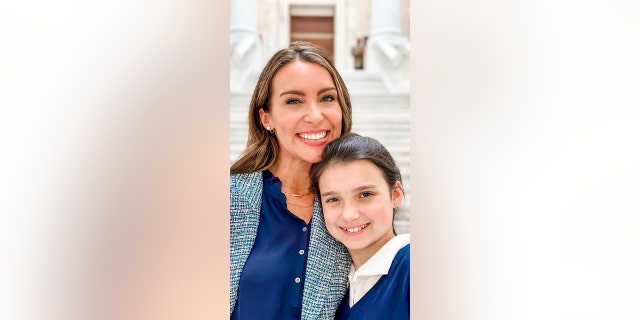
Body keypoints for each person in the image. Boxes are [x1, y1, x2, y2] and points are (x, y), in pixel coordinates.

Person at [230, 41, 353, 319]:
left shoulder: (357, 208)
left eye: (327, 98)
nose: (315, 115)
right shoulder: (228, 198)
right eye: (293, 101)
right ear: (266, 118)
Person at [310, 132, 410, 320]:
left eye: (365, 195)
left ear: (395, 195)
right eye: (333, 199)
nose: (350, 214)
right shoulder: (339, 292)